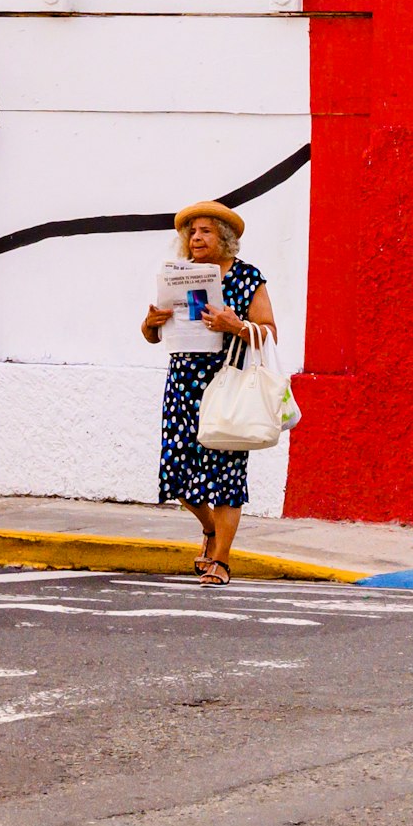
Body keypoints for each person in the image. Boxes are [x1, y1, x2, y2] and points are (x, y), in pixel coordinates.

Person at [140, 199, 277, 584]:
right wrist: (150, 324)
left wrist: (235, 325)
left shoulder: (248, 277)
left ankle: (222, 559)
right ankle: (211, 529)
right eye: (192, 232)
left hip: (226, 384)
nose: (196, 238)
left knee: (227, 473)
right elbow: (153, 335)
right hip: (182, 385)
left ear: (225, 238)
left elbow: (269, 332)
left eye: (206, 231)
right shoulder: (180, 276)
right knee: (177, 471)